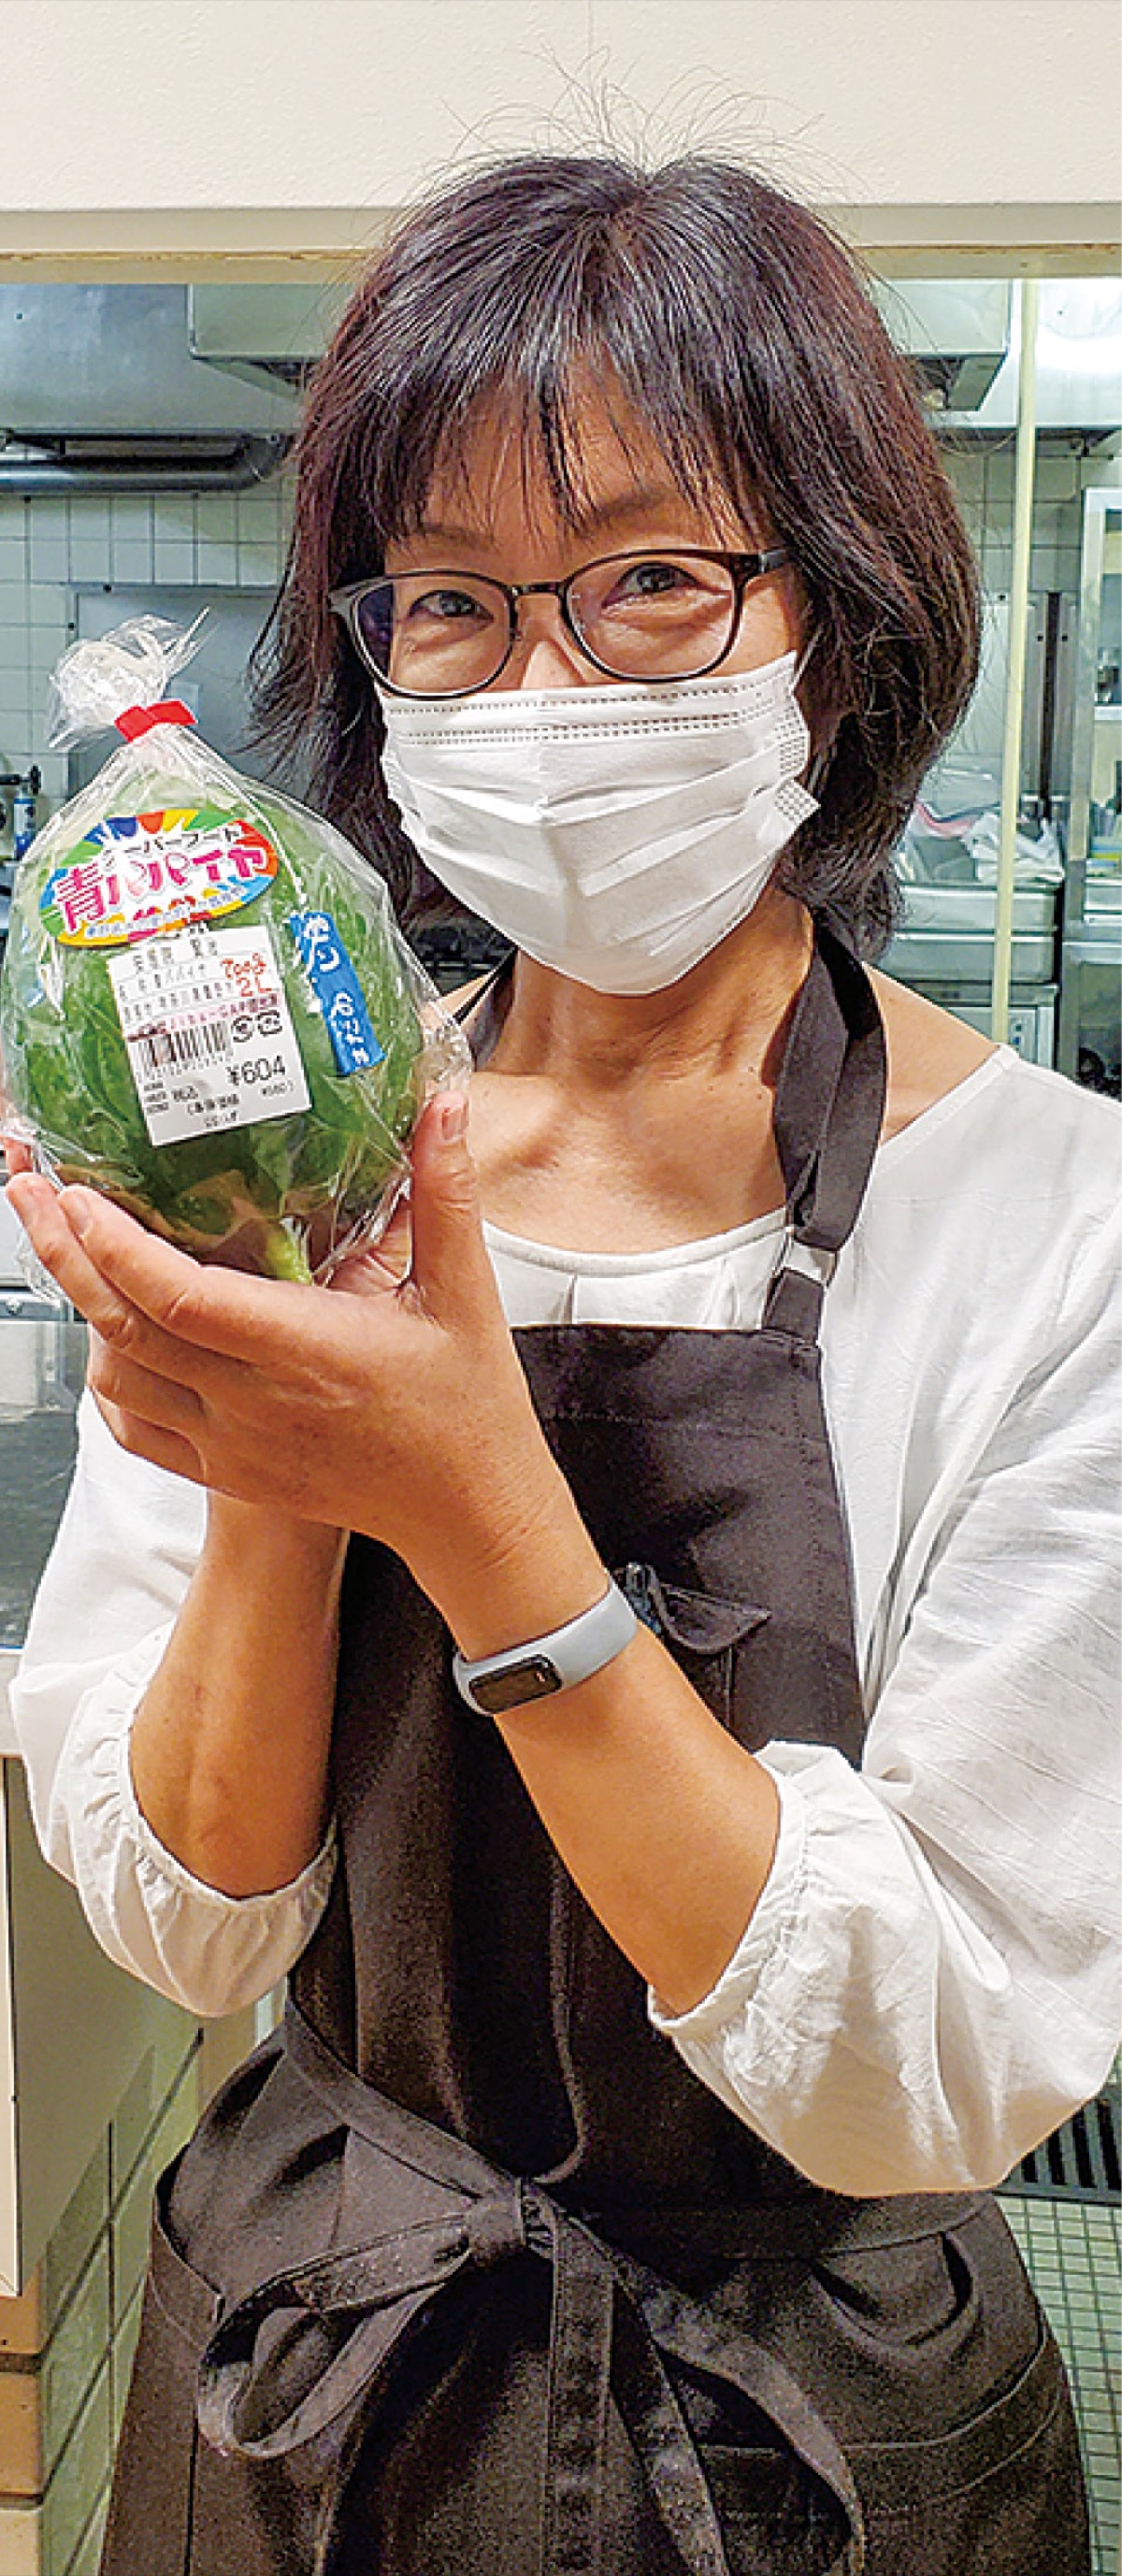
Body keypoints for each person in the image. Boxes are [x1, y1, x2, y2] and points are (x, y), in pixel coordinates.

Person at [4, 151, 1119, 2576]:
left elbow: (931, 2060)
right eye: (452, 605)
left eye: (647, 580)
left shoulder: (1058, 1223)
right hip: (319, 2374)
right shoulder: (294, 1141)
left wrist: (479, 1506)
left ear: (837, 621)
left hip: (821, 2426)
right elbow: (194, 1923)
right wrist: (282, 1408)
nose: (547, 688)